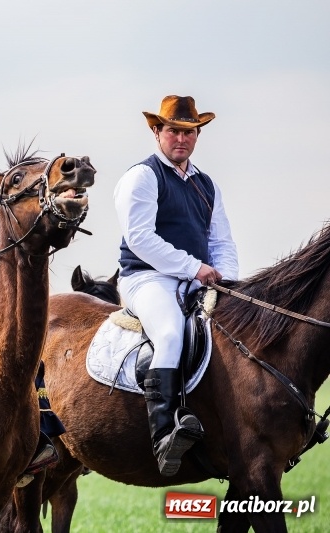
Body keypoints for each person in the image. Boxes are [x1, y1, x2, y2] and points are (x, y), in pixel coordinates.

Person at [114, 95, 239, 476]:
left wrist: (230, 281)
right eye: (173, 131)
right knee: (169, 333)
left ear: (197, 135)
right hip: (147, 278)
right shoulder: (143, 176)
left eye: (189, 132)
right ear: (157, 132)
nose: (181, 139)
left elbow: (221, 241)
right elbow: (140, 238)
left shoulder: (205, 184)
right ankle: (164, 434)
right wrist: (193, 267)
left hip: (195, 278)